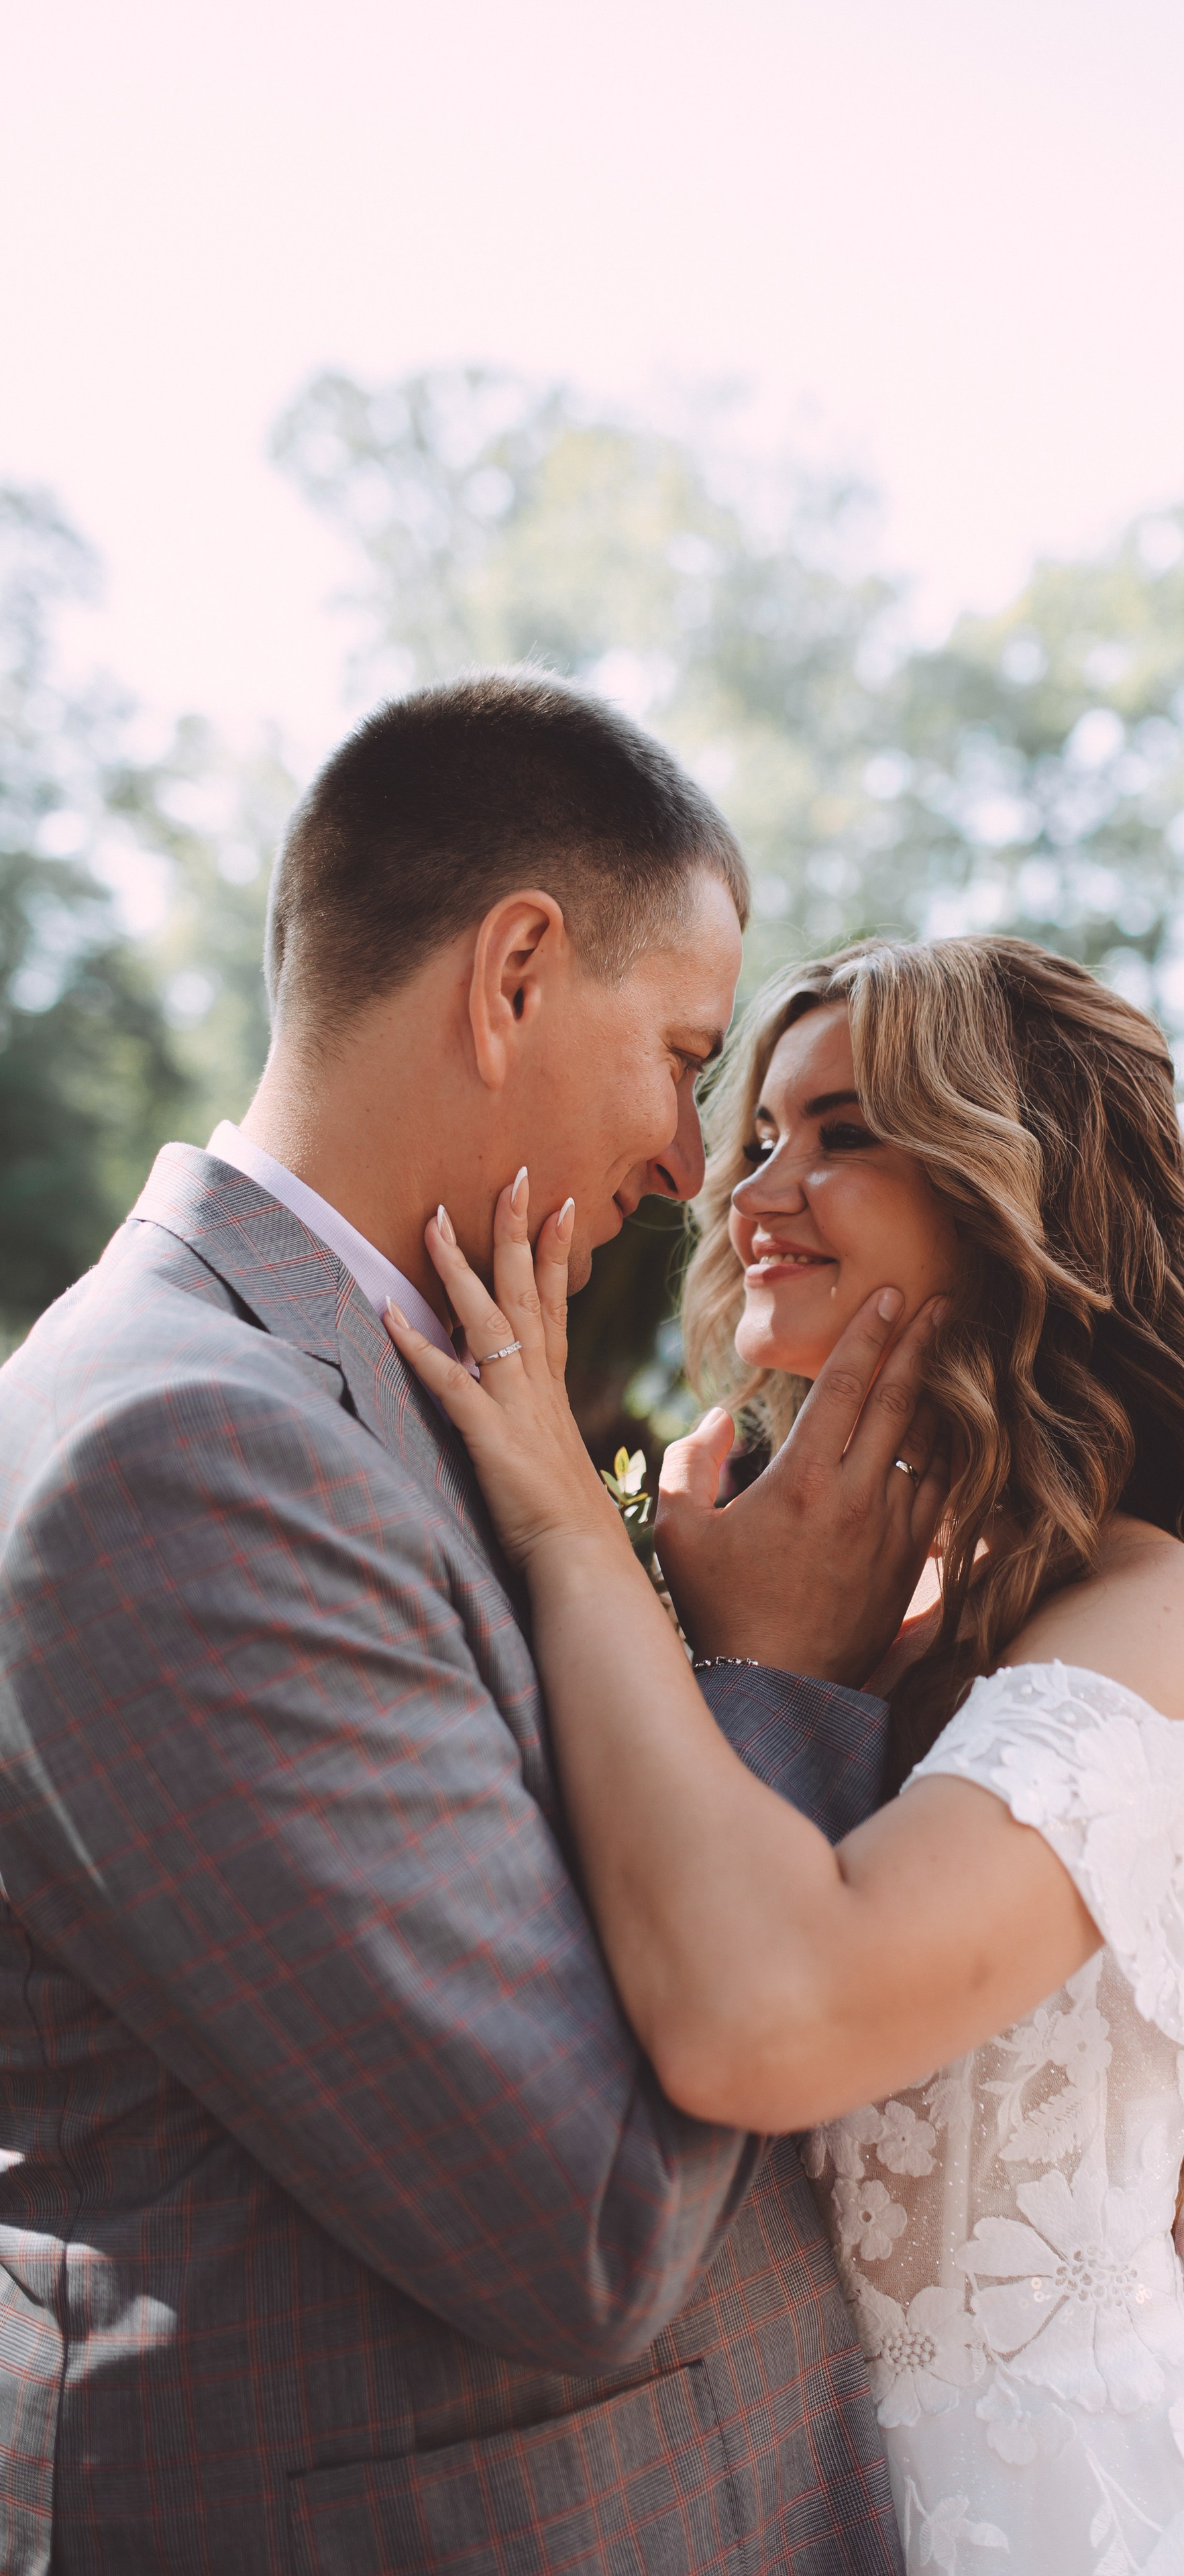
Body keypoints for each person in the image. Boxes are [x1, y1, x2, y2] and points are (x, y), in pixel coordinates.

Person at [390, 933, 1184, 2575]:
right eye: (758, 1133)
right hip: (764, 2490)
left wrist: (568, 1525)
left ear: (1016, 1191)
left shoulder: (1160, 1617)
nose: (755, 1188)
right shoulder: (849, 1603)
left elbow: (775, 2015)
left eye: (845, 1134)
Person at [0, 674, 940, 2576]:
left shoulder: (385, 1386)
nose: (695, 1163)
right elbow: (576, 2223)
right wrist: (779, 1683)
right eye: (685, 1057)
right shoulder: (179, 1450)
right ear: (514, 974)